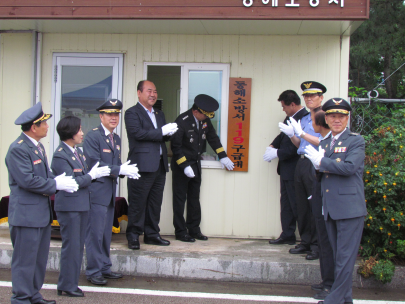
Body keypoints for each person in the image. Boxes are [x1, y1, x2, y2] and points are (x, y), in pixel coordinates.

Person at [5, 102, 78, 304]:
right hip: (26, 215)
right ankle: (21, 297)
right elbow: (27, 180)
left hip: (40, 214)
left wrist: (61, 181)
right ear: (33, 127)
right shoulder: (18, 149)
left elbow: (45, 175)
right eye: (44, 123)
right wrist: (55, 183)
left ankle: (33, 294)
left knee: (38, 259)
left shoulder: (37, 147)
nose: (47, 126)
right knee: (24, 259)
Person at [304, 98, 366, 304]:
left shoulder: (355, 140)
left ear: (347, 119)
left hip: (349, 209)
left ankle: (335, 299)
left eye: (341, 116)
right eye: (332, 116)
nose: (336, 120)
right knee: (338, 255)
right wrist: (318, 167)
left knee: (345, 257)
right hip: (330, 208)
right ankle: (345, 299)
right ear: (327, 119)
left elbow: (349, 168)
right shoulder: (325, 142)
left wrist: (322, 162)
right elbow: (322, 175)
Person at [51, 116, 111, 297]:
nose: (82, 133)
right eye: (79, 130)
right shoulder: (60, 155)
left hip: (81, 206)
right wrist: (91, 177)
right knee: (71, 247)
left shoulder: (77, 151)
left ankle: (70, 284)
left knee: (77, 247)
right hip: (70, 208)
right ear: (70, 133)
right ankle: (67, 285)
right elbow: (72, 182)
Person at [84, 99, 140, 286]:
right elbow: (94, 163)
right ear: (101, 116)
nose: (114, 118)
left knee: (106, 234)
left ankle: (104, 267)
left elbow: (115, 165)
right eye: (110, 114)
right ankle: (93, 271)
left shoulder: (115, 138)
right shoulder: (93, 137)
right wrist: (119, 170)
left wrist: (122, 169)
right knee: (95, 234)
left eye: (116, 114)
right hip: (96, 192)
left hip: (108, 193)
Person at [171, 94, 234, 242]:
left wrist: (223, 156)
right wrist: (185, 166)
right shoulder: (182, 121)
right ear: (196, 111)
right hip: (182, 166)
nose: (206, 118)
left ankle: (194, 229)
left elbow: (212, 138)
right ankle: (180, 232)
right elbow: (175, 147)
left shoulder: (204, 120)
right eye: (204, 115)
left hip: (196, 164)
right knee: (180, 200)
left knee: (194, 198)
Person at [124, 80, 178, 250]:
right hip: (141, 165)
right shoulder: (132, 113)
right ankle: (133, 235)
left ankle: (152, 234)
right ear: (139, 93)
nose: (153, 94)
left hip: (160, 165)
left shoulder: (159, 114)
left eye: (155, 91)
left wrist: (170, 132)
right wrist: (161, 132)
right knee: (138, 202)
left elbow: (160, 136)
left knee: (155, 203)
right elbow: (137, 133)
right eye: (149, 91)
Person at [279, 81, 325, 260]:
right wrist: (292, 135)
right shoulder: (305, 119)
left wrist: (303, 134)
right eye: (306, 96)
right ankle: (305, 241)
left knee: (315, 206)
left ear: (321, 98)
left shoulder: (325, 117)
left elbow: (324, 142)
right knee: (302, 206)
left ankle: (316, 245)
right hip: (302, 161)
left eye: (313, 96)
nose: (309, 99)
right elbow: (300, 144)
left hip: (316, 162)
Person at [264, 90, 308, 245]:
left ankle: (306, 239)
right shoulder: (291, 117)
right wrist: (272, 145)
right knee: (287, 204)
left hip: (295, 168)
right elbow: (283, 135)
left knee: (297, 204)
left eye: (284, 106)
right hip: (286, 169)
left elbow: (297, 148)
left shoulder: (304, 118)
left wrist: (277, 152)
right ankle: (287, 234)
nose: (283, 109)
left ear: (293, 104)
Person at [309, 110, 335, 300]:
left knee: (328, 243)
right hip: (320, 196)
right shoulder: (325, 142)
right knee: (323, 241)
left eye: (312, 122)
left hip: (332, 201)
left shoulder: (333, 143)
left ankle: (330, 284)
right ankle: (326, 281)